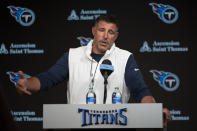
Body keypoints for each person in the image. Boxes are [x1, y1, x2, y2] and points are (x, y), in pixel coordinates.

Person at [15, 15, 171, 127]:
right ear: (93, 31)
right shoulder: (73, 55)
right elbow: (48, 78)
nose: (105, 36)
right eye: (101, 30)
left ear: (115, 36)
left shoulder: (125, 58)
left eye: (110, 32)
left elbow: (140, 91)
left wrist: (155, 111)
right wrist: (28, 83)